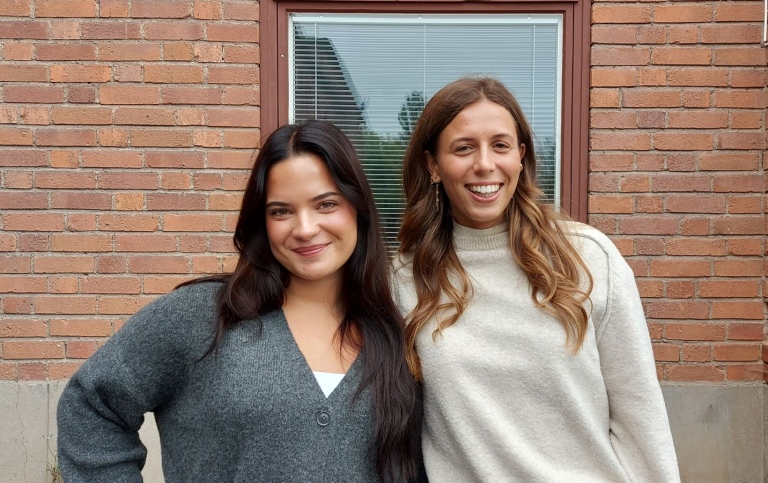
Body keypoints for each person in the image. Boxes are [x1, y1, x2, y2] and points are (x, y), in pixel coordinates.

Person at [57, 120, 422, 482]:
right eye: (281, 211)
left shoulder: (401, 324)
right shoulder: (201, 315)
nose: (305, 228)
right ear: (262, 222)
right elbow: (91, 406)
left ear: (358, 208)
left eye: (326, 204)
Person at [393, 77, 679, 482]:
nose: (485, 164)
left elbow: (640, 415)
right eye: (463, 147)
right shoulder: (405, 279)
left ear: (521, 156)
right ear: (433, 165)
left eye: (500, 145)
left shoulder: (588, 259)